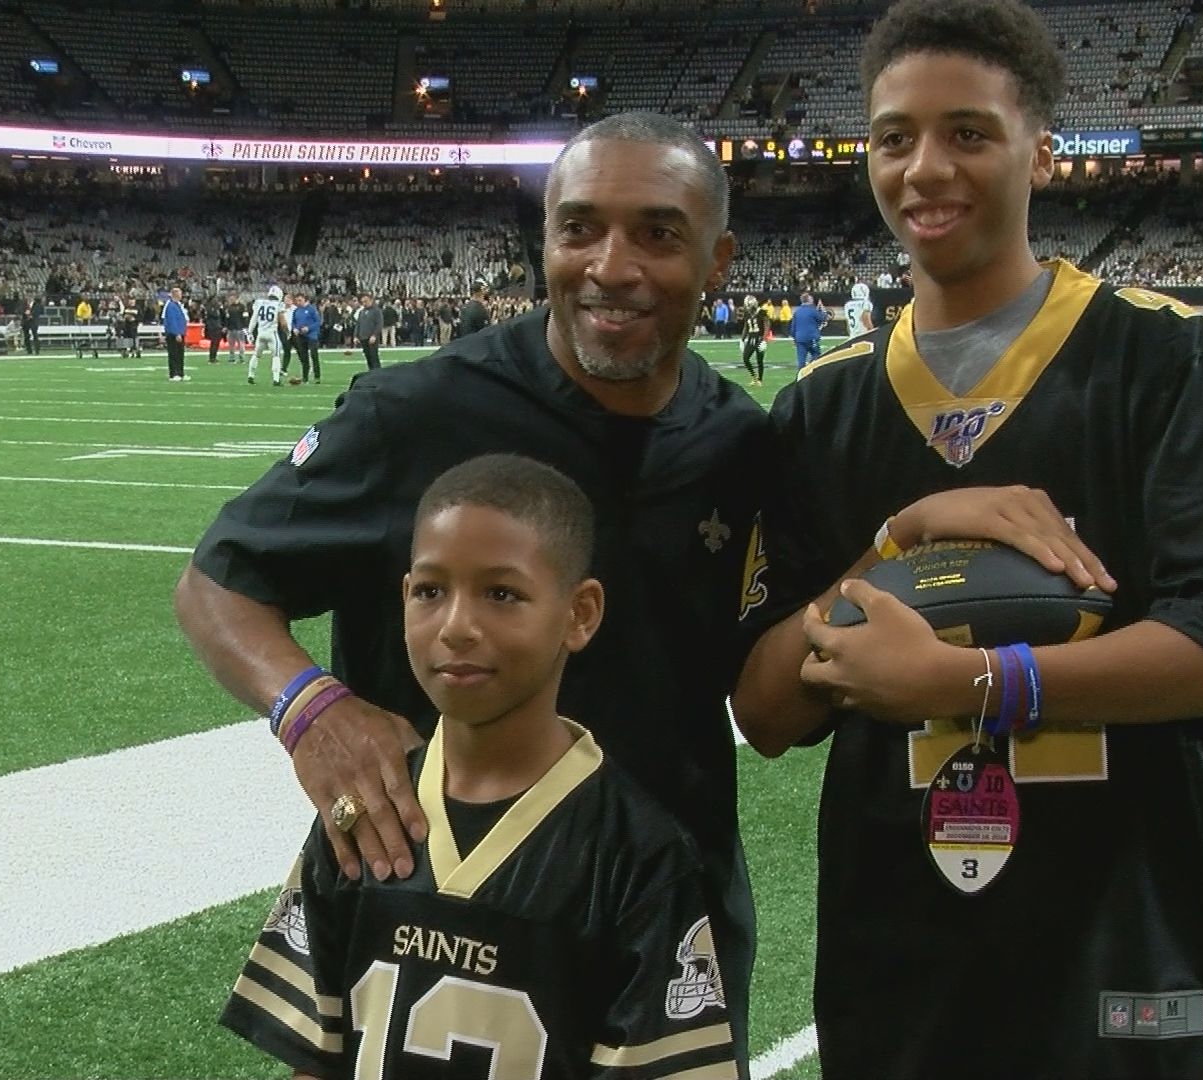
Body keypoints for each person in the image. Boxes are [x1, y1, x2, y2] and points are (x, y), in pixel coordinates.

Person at [729, 1, 1203, 1076]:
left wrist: (973, 680)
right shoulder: (822, 408)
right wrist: (896, 537)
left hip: (1116, 947)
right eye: (895, 137)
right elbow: (763, 711)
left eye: (967, 134)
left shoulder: (1152, 357)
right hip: (897, 959)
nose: (924, 167)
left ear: (1041, 152)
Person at [174, 111, 767, 1064]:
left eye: (657, 233)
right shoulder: (420, 413)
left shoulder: (741, 442)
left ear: (719, 258)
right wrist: (311, 708)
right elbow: (218, 579)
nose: (611, 266)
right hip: (433, 913)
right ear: (545, 241)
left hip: (663, 919)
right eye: (578, 229)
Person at [220, 454, 737, 1079]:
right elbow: (315, 1059)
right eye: (432, 591)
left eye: (502, 593)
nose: (458, 626)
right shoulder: (367, 808)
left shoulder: (637, 856)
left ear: (580, 614)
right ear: (405, 595)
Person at [249, 285, 288, 386]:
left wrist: (250, 331)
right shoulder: (279, 305)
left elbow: (254, 319)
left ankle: (251, 375)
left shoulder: (259, 303)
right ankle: (276, 379)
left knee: (256, 355)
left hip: (261, 333)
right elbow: (283, 322)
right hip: (272, 333)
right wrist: (288, 332)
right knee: (276, 356)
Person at [289, 291, 323, 384]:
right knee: (304, 358)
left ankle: (317, 377)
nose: (298, 302)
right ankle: (305, 377)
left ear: (304, 300)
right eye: (297, 301)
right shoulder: (296, 310)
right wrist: (294, 328)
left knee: (314, 355)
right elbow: (293, 322)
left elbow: (317, 322)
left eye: (300, 300)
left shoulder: (311, 310)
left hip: (312, 336)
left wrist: (308, 328)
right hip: (300, 336)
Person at [789, 291, 827, 371]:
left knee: (801, 360)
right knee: (816, 355)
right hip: (811, 337)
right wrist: (822, 310)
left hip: (800, 339)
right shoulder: (812, 310)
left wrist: (794, 338)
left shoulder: (797, 311)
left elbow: (793, 328)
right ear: (809, 300)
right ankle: (810, 370)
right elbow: (822, 318)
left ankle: (800, 377)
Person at [738, 294, 768, 386]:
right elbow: (746, 327)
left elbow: (767, 325)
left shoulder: (762, 312)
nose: (748, 308)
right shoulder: (747, 314)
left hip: (759, 338)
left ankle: (760, 380)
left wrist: (764, 339)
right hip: (751, 338)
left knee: (760, 360)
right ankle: (754, 377)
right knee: (745, 358)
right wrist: (742, 339)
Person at [162, 286, 189, 382]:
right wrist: (177, 333)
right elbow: (172, 321)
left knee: (180, 354)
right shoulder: (171, 306)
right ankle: (173, 374)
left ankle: (181, 373)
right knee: (174, 354)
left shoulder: (178, 305)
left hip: (180, 333)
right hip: (173, 334)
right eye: (180, 293)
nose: (181, 295)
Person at [355, 291, 384, 371]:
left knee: (374, 357)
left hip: (372, 338)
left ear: (371, 300)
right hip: (363, 337)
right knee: (368, 357)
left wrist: (374, 335)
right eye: (363, 302)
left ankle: (377, 373)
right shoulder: (361, 312)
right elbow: (358, 324)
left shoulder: (376, 311)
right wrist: (356, 336)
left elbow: (379, 324)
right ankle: (371, 372)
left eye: (366, 301)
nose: (364, 303)